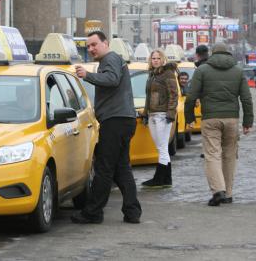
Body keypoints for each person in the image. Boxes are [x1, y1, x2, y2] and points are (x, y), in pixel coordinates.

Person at [71, 31, 142, 224]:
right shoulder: (112, 59)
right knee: (121, 168)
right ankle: (132, 211)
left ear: (105, 43)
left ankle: (93, 212)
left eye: (94, 44)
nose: (91, 49)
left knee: (104, 168)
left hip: (115, 121)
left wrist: (87, 75)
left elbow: (111, 80)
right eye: (89, 46)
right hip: (122, 119)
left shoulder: (110, 58)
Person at [184, 43, 254, 206]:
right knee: (230, 155)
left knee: (212, 154)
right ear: (228, 53)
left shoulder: (202, 70)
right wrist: (247, 122)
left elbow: (191, 96)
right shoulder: (237, 71)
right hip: (232, 119)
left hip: (210, 119)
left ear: (212, 54)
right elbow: (246, 98)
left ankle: (218, 191)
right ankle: (228, 194)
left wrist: (189, 118)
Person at [139, 49, 178, 188]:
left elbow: (174, 94)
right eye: (153, 58)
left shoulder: (167, 73)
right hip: (152, 114)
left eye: (158, 58)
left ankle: (159, 178)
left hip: (162, 115)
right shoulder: (152, 75)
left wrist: (171, 113)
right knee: (161, 148)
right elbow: (148, 97)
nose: (155, 60)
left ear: (163, 59)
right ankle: (166, 179)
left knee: (162, 147)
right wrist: (145, 113)